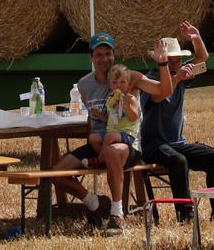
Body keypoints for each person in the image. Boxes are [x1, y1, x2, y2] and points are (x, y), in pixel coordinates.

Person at [48, 32, 173, 237]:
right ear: (91, 57)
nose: (104, 59)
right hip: (100, 141)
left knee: (113, 152)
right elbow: (91, 119)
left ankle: (116, 215)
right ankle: (96, 204)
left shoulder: (128, 77)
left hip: (126, 143)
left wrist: (163, 64)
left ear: (114, 55)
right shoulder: (84, 85)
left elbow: (165, 90)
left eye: (108, 53)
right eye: (99, 54)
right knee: (58, 172)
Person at [140, 22, 214, 224]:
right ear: (161, 62)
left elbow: (202, 59)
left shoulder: (181, 75)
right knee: (178, 161)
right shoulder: (149, 80)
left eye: (177, 61)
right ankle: (186, 214)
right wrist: (177, 78)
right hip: (155, 146)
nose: (175, 65)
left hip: (177, 143)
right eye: (171, 61)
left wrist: (197, 38)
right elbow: (159, 96)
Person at [88, 64, 139, 153]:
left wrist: (127, 106)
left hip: (127, 134)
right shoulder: (110, 100)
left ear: (128, 84)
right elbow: (109, 119)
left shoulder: (131, 99)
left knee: (109, 137)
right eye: (114, 82)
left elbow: (134, 118)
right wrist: (98, 114)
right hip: (111, 132)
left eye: (122, 82)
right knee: (92, 138)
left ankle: (100, 160)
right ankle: (105, 158)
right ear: (110, 85)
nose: (118, 86)